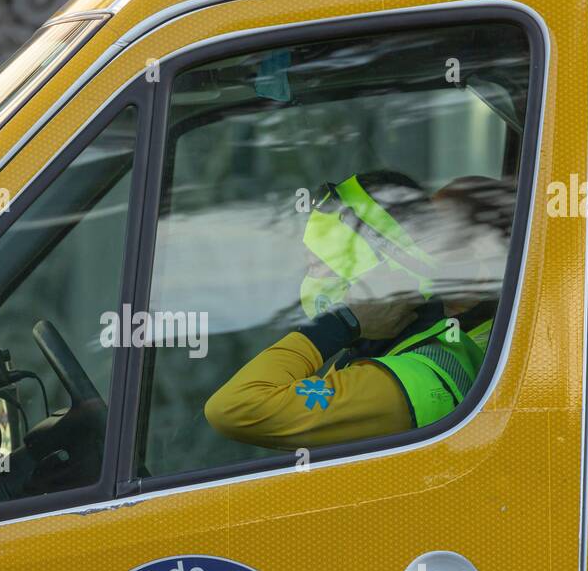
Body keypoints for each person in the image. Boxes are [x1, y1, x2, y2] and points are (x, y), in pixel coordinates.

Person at [203, 172, 503, 450]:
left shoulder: (406, 382)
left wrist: (342, 321)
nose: (309, 281)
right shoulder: (394, 351)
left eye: (323, 267)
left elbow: (235, 407)